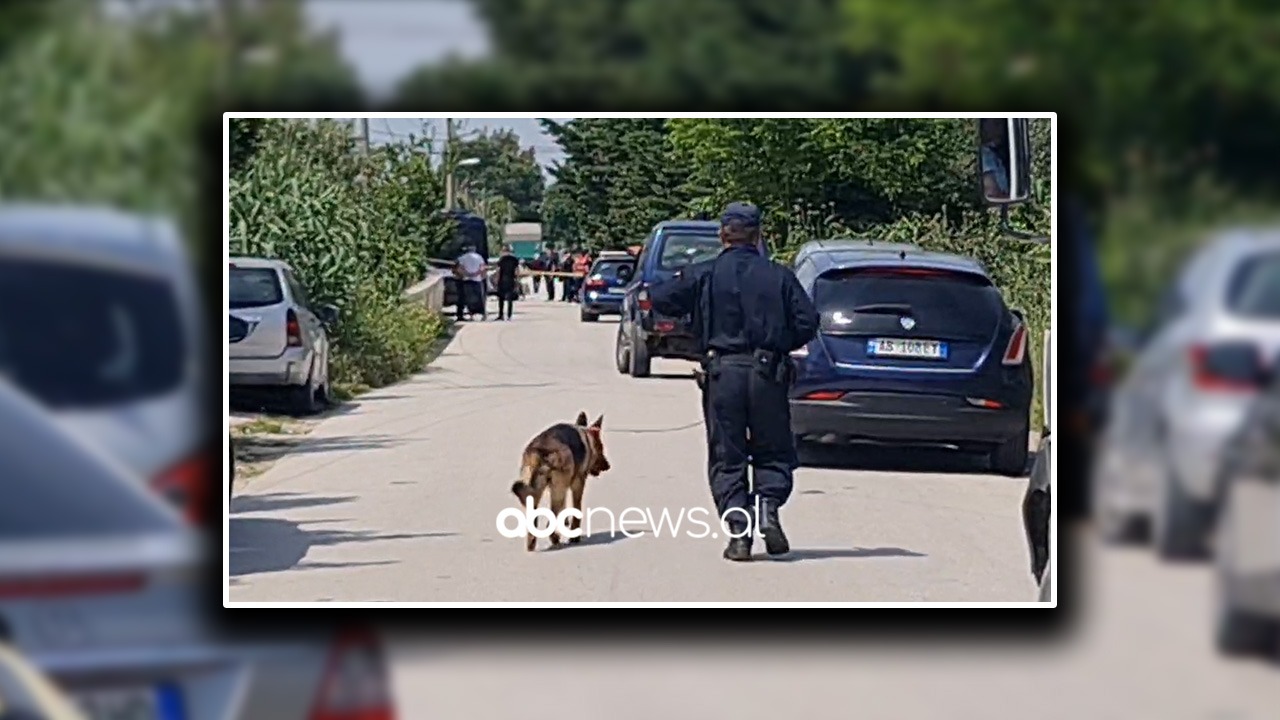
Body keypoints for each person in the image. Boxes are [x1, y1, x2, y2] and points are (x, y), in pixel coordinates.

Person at [648, 202, 819, 562]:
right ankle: (769, 508)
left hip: (722, 373)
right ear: (758, 236)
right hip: (766, 374)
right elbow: (808, 321)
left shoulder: (706, 274)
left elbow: (661, 298)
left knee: (728, 456)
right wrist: (777, 345)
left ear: (722, 235)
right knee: (773, 450)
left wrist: (689, 299)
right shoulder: (779, 275)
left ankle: (740, 536)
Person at [454, 244, 487, 321]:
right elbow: (482, 267)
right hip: (477, 280)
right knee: (480, 298)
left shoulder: (462, 258)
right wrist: (476, 274)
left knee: (468, 299)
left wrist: (467, 274)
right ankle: (483, 315)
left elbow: (459, 269)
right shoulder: (479, 257)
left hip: (466, 280)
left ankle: (471, 315)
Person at [980, 119, 1011, 200]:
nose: (1001, 130)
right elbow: (991, 192)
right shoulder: (985, 155)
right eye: (996, 124)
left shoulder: (994, 153)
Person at [494, 244, 522, 320]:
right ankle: (509, 315)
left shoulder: (501, 260)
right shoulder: (514, 260)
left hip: (502, 280)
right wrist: (518, 280)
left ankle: (501, 315)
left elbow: (498, 271)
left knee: (501, 298)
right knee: (510, 298)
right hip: (511, 280)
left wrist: (496, 280)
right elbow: (517, 271)